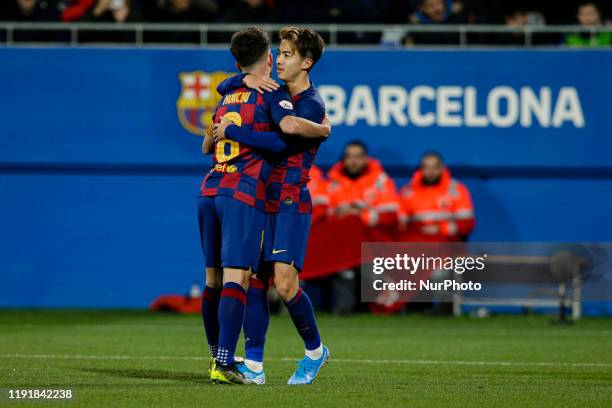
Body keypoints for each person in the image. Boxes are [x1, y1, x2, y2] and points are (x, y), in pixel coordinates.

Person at [199, 27, 330, 385]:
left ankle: (315, 352)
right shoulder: (275, 92)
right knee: (255, 281)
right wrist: (244, 77)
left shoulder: (311, 103)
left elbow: (284, 135)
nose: (281, 60)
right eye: (280, 53)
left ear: (307, 62)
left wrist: (320, 129)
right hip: (260, 199)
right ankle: (254, 364)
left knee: (285, 286)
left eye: (288, 55)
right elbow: (225, 88)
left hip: (289, 201)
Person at [326, 141, 399, 314]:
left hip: (372, 243)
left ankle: (383, 303)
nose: (353, 161)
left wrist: (359, 216)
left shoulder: (380, 181)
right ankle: (344, 306)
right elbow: (325, 216)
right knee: (343, 261)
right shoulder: (333, 182)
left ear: (366, 159)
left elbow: (391, 216)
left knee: (365, 258)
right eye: (349, 157)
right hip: (341, 245)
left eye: (357, 157)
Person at [399, 151, 475, 242]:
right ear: (421, 169)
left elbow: (467, 224)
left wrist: (440, 229)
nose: (430, 171)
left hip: (448, 243)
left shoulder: (457, 190)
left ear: (442, 168)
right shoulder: (407, 192)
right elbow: (399, 224)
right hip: (417, 243)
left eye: (434, 167)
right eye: (426, 167)